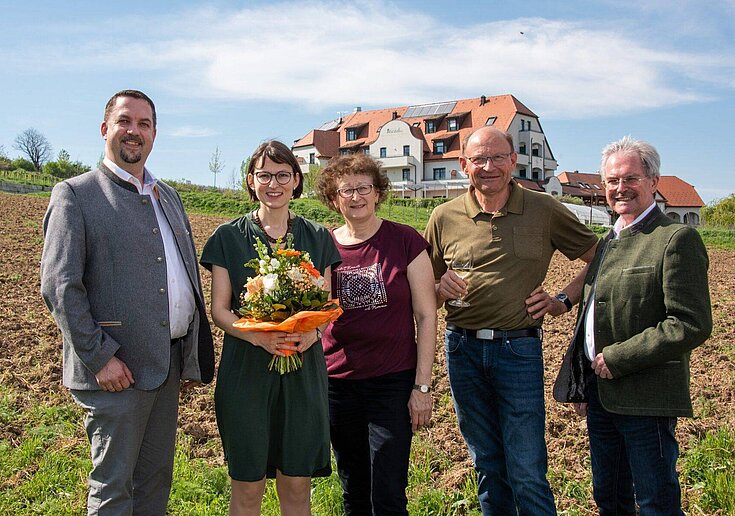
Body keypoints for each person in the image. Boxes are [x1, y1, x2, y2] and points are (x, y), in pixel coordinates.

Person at [40, 89, 215, 514]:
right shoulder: (76, 194)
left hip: (167, 366)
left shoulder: (168, 196)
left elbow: (184, 277)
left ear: (154, 134)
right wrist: (100, 358)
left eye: (144, 123)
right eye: (124, 121)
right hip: (115, 372)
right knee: (114, 489)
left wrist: (188, 354)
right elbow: (60, 285)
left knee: (155, 482)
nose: (133, 132)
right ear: (105, 129)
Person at [424, 126, 598, 515]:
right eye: (479, 160)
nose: (489, 167)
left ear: (513, 161)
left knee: (526, 470)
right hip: (461, 350)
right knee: (486, 464)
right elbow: (425, 294)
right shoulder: (443, 216)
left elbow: (600, 258)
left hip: (517, 350)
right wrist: (439, 289)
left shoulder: (544, 208)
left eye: (498, 157)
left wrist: (562, 300)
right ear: (462, 164)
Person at [553, 136, 712, 515]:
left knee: (655, 499)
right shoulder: (609, 241)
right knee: (609, 497)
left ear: (653, 181)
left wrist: (618, 358)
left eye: (630, 179)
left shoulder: (674, 239)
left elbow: (690, 323)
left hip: (645, 396)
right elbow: (592, 314)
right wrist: (582, 382)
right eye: (611, 181)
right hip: (601, 394)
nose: (619, 188)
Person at [200, 140, 341, 516]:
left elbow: (326, 308)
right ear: (251, 180)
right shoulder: (228, 237)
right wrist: (257, 337)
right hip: (247, 370)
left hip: (303, 371)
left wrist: (310, 334)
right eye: (264, 175)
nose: (273, 184)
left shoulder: (318, 237)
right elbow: (219, 310)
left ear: (297, 181)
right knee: (248, 487)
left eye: (283, 175)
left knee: (297, 486)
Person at [315, 154, 437, 515]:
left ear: (378, 192)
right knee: (353, 487)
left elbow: (427, 315)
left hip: (392, 382)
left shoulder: (405, 241)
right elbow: (315, 316)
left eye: (363, 187)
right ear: (334, 199)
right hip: (338, 382)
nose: (355, 197)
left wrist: (422, 387)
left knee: (387, 490)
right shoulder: (323, 246)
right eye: (346, 190)